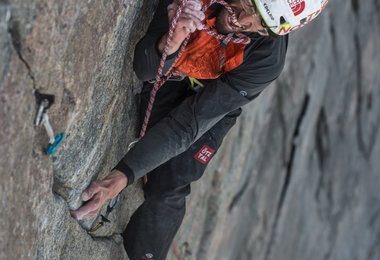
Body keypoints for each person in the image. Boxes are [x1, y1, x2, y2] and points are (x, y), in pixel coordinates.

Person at [71, 0, 328, 259]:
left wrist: (122, 176)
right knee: (158, 171)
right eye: (250, 4)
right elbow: (145, 68)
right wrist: (168, 45)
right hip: (174, 75)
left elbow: (189, 124)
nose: (245, 20)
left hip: (216, 100)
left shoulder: (266, 58)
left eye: (261, 23)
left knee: (171, 185)